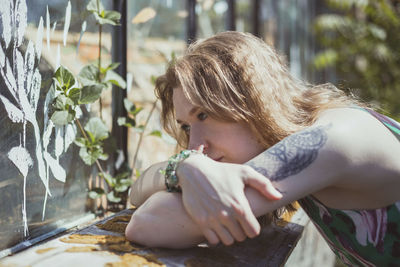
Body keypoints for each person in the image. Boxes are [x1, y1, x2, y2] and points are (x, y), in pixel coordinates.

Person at [125, 31, 400, 266]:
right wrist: (185, 166)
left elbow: (148, 223)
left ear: (252, 100)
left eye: (204, 115)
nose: (196, 145)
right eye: (186, 126)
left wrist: (185, 168)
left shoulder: (330, 141)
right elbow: (136, 191)